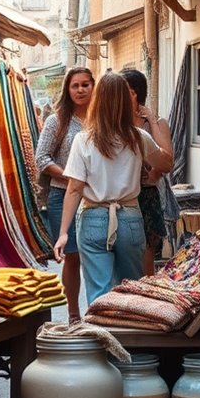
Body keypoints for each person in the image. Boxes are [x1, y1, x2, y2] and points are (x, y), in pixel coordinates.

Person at [53, 73, 173, 303]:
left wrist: (63, 233)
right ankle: (127, 338)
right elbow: (166, 164)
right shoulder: (139, 137)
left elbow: (74, 189)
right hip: (129, 218)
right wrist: (156, 124)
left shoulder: (83, 139)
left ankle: (101, 336)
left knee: (99, 294)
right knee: (131, 292)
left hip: (92, 219)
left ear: (97, 101)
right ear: (126, 101)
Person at [35, 67, 95, 323]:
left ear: (94, 87)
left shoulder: (102, 119)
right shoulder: (56, 120)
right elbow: (41, 158)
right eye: (75, 86)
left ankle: (99, 314)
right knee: (72, 256)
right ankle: (73, 316)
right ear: (67, 90)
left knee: (96, 254)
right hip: (63, 196)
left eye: (85, 85)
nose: (80, 90)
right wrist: (70, 177)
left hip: (97, 197)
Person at [119, 68, 172, 276]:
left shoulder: (157, 123)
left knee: (145, 256)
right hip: (122, 195)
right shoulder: (117, 123)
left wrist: (150, 118)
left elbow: (167, 158)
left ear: (133, 93)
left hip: (147, 195)